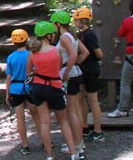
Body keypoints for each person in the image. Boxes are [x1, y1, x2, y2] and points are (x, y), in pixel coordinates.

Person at [28, 21, 81, 160]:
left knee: (45, 122)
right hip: (54, 86)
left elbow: (29, 73)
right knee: (63, 121)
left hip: (38, 88)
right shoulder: (56, 50)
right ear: (48, 35)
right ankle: (73, 153)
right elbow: (58, 68)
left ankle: (49, 155)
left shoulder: (32, 53)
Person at [51, 10, 89, 157]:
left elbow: (73, 55)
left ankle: (76, 145)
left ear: (59, 24)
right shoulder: (72, 36)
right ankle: (79, 143)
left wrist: (66, 72)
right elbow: (83, 53)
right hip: (75, 74)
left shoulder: (65, 37)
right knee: (75, 110)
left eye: (54, 24)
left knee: (71, 111)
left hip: (70, 76)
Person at [73, 7, 104, 141]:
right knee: (81, 99)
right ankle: (84, 127)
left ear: (83, 20)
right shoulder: (81, 35)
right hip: (83, 70)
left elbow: (99, 54)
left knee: (93, 100)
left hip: (90, 69)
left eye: (76, 20)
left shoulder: (89, 34)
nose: (74, 22)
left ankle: (98, 130)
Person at [5, 29, 36, 155]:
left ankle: (25, 145)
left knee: (20, 118)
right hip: (30, 88)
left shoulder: (11, 57)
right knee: (37, 116)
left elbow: (8, 77)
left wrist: (7, 93)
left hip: (15, 89)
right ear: (26, 40)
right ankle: (46, 142)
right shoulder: (31, 55)